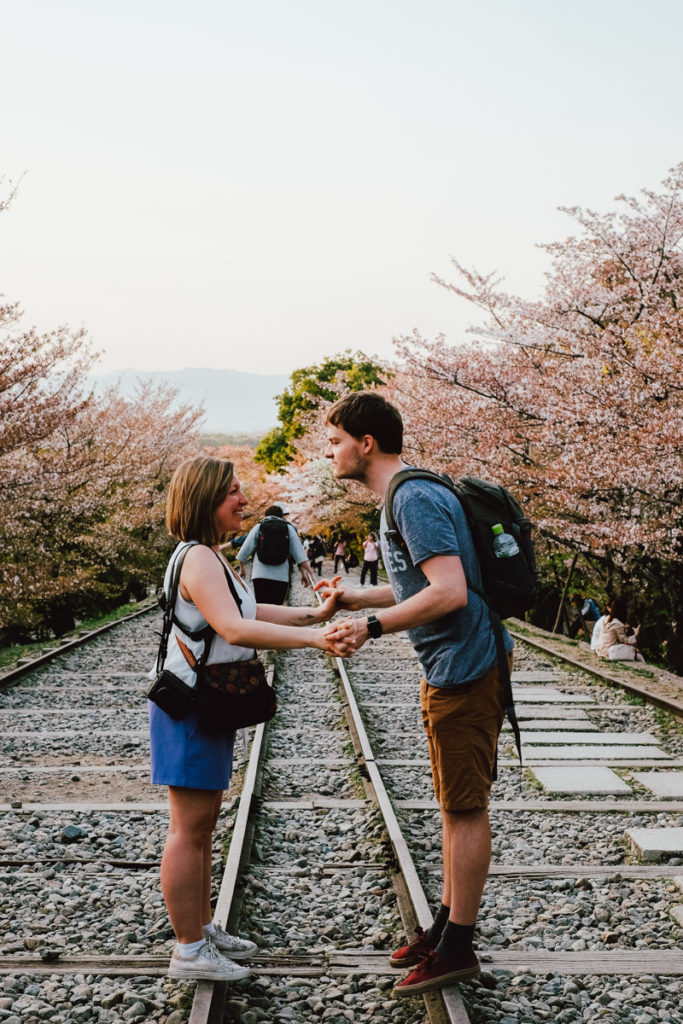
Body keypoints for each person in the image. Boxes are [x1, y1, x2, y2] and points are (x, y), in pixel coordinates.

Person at [318, 391, 513, 996]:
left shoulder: (413, 498)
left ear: (365, 442)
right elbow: (420, 585)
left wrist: (371, 627)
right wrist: (359, 596)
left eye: (335, 441)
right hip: (452, 664)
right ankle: (445, 928)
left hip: (466, 663)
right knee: (454, 806)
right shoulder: (406, 495)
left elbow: (450, 591)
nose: (331, 453)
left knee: (465, 806)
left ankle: (459, 945)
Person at [149, 455, 353, 983]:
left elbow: (251, 609)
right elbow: (235, 630)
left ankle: (200, 927)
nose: (244, 500)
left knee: (202, 826)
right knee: (188, 831)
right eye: (233, 492)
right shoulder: (197, 558)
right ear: (204, 499)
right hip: (189, 706)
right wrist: (315, 640)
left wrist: (316, 615)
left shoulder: (209, 556)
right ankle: (189, 950)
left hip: (202, 705)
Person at [236, 505, 312, 605]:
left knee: (262, 607)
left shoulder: (259, 527)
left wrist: (242, 569)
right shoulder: (288, 528)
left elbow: (243, 552)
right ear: (281, 516)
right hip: (281, 577)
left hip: (259, 575)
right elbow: (300, 556)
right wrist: (305, 574)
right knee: (276, 608)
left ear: (266, 515)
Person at [594, 597, 645, 662]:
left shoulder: (605, 619)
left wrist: (624, 628)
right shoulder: (618, 624)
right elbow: (624, 641)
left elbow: (612, 632)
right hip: (609, 652)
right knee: (639, 655)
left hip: (600, 649)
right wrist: (635, 634)